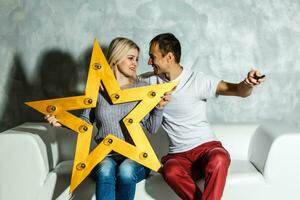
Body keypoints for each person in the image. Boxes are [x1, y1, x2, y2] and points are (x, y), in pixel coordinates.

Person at [141, 33, 266, 200]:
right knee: (170, 171)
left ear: (169, 57)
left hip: (206, 149)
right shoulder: (150, 82)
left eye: (152, 56)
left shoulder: (197, 81)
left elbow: (238, 90)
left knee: (219, 158)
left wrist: (248, 83)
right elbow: (120, 84)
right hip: (178, 156)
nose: (149, 62)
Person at [45, 37, 170, 200]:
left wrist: (159, 107)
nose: (135, 63)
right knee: (105, 170)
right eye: (130, 58)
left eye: (137, 59)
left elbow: (152, 128)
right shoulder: (95, 89)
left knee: (126, 171)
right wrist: (63, 121)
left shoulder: (142, 89)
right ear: (117, 57)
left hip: (135, 157)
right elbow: (85, 122)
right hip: (104, 155)